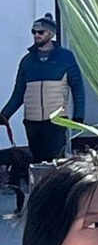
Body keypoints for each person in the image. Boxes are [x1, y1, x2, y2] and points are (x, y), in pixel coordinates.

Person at [1, 13, 85, 163]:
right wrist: (5, 115)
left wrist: (79, 116)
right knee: (37, 162)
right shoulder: (27, 61)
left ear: (51, 34)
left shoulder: (65, 57)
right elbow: (18, 93)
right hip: (32, 122)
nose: (36, 35)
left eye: (41, 32)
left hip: (56, 122)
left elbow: (78, 88)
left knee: (55, 162)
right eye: (34, 32)